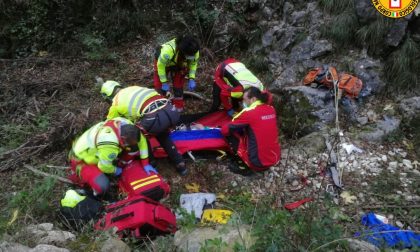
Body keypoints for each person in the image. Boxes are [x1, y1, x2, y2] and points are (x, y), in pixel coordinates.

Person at [100, 81, 188, 176]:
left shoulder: (116, 102)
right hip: (171, 111)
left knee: (139, 135)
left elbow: (110, 124)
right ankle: (180, 164)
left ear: (108, 96)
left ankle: (151, 163)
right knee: (162, 134)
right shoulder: (134, 87)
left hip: (153, 117)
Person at [68, 117, 156, 196]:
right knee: (103, 185)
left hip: (87, 145)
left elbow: (142, 142)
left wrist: (145, 163)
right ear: (124, 138)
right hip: (82, 159)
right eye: (127, 143)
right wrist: (116, 170)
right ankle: (91, 193)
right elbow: (103, 166)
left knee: (134, 146)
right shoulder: (110, 145)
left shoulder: (125, 124)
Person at [221, 87, 280, 174]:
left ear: (253, 99)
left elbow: (225, 129)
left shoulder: (249, 112)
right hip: (274, 158)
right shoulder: (271, 109)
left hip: (257, 163)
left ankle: (243, 164)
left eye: (245, 100)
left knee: (230, 133)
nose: (243, 103)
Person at [153, 35, 200, 112]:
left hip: (179, 63)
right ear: (183, 52)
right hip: (163, 63)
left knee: (178, 84)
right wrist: (164, 82)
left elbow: (193, 64)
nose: (192, 56)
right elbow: (160, 67)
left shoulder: (195, 51)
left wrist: (192, 78)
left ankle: (178, 107)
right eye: (190, 55)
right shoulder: (168, 51)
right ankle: (160, 106)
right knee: (159, 86)